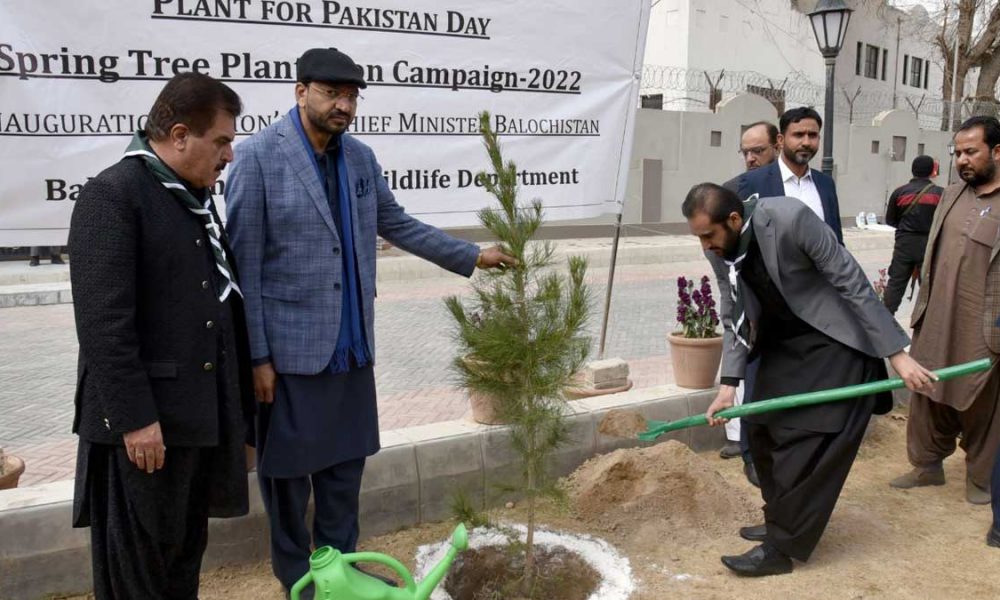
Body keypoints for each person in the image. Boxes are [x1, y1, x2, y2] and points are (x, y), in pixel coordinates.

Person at [224, 47, 514, 597]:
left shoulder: (359, 159)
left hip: (352, 351)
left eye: (352, 96)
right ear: (300, 91)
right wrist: (256, 357)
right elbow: (246, 267)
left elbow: (397, 223)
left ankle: (345, 574)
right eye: (332, 93)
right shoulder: (259, 157)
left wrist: (471, 256)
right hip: (290, 358)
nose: (344, 105)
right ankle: (299, 583)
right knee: (286, 485)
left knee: (343, 478)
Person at [684, 183, 935, 576]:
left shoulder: (790, 218)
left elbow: (850, 280)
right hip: (781, 343)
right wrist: (729, 386)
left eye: (707, 236)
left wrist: (896, 355)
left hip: (831, 340)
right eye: (698, 237)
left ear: (733, 220)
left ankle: (780, 549)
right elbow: (731, 309)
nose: (705, 246)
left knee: (805, 443)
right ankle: (778, 518)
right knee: (761, 430)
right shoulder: (722, 247)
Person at [68, 73, 255, 599]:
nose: (229, 156)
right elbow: (104, 325)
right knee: (136, 581)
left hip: (193, 427)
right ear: (178, 135)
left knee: (180, 569)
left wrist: (238, 422)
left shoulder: (190, 200)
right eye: (221, 141)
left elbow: (218, 314)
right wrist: (136, 421)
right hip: (141, 437)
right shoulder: (113, 196)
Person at [889, 116, 1000, 506]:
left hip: (983, 328)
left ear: (997, 152)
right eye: (957, 153)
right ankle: (926, 466)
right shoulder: (950, 195)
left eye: (971, 151)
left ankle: (981, 477)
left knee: (982, 405)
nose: (962, 160)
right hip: (935, 318)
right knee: (926, 394)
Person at [719, 121, 779, 487]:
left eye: (758, 150)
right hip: (752, 315)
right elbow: (724, 270)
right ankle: (747, 452)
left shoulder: (809, 188)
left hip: (796, 319)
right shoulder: (731, 193)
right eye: (745, 151)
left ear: (777, 144)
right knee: (750, 385)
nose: (751, 157)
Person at [737, 107, 843, 243]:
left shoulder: (826, 183)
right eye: (798, 135)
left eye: (812, 135)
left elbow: (836, 241)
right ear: (780, 140)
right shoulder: (753, 182)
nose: (806, 142)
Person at [882, 155, 943, 315]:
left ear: (912, 170)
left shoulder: (899, 193)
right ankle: (928, 325)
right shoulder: (941, 195)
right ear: (932, 171)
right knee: (928, 287)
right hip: (929, 245)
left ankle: (884, 323)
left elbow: (890, 220)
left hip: (904, 245)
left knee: (895, 285)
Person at [722, 121, 779, 194]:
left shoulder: (792, 183)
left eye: (757, 151)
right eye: (745, 153)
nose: (749, 159)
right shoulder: (732, 189)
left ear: (777, 148)